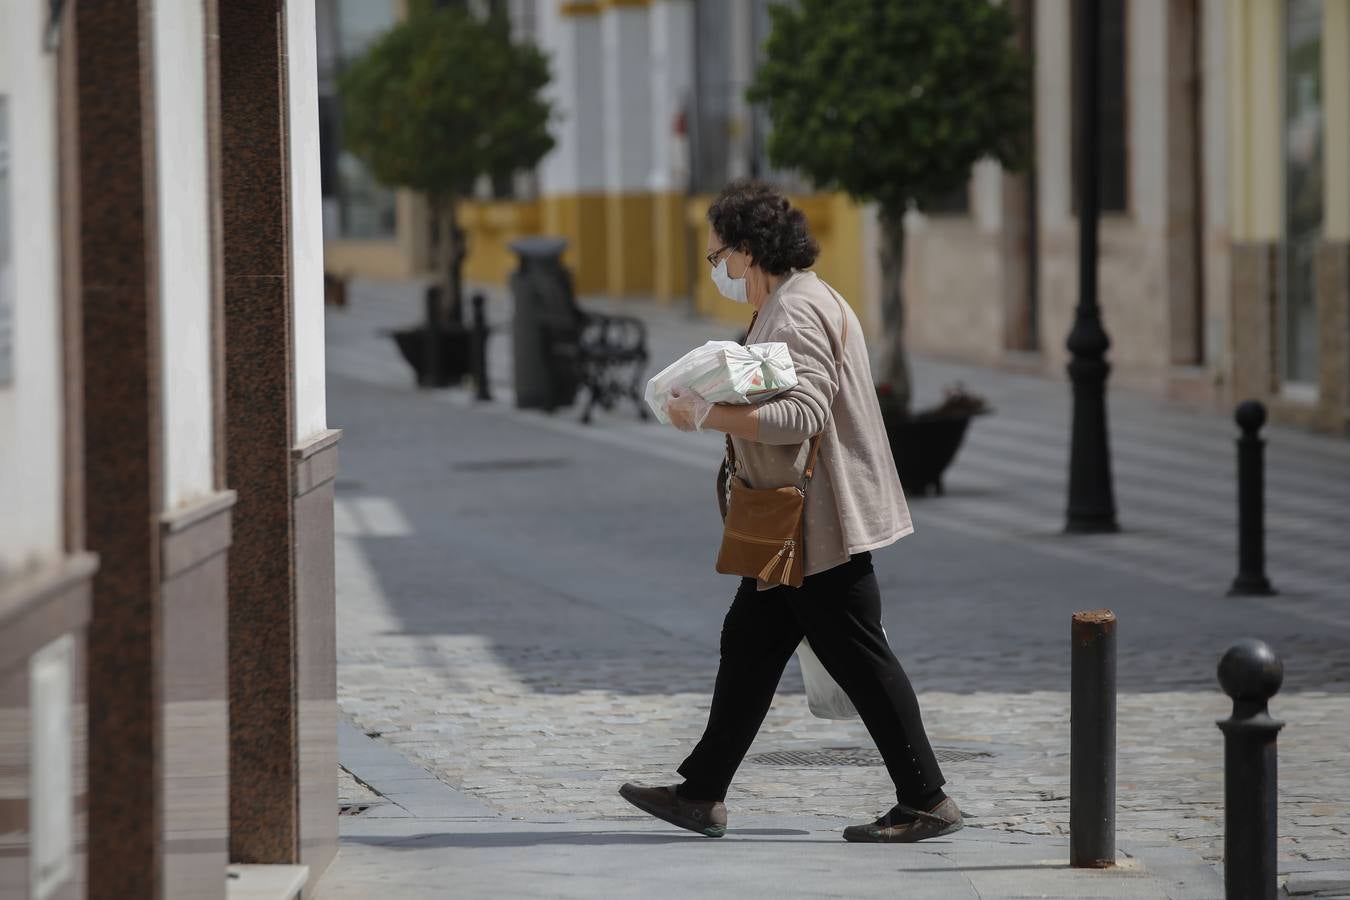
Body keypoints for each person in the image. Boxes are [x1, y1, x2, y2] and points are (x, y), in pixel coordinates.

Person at [618, 180, 962, 843]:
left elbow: (804, 414)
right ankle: (702, 792)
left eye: (718, 255)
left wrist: (705, 415)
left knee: (859, 654)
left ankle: (928, 798)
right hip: (797, 522)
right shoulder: (794, 300)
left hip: (818, 520)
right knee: (749, 643)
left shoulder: (796, 310)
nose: (716, 268)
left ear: (748, 251)